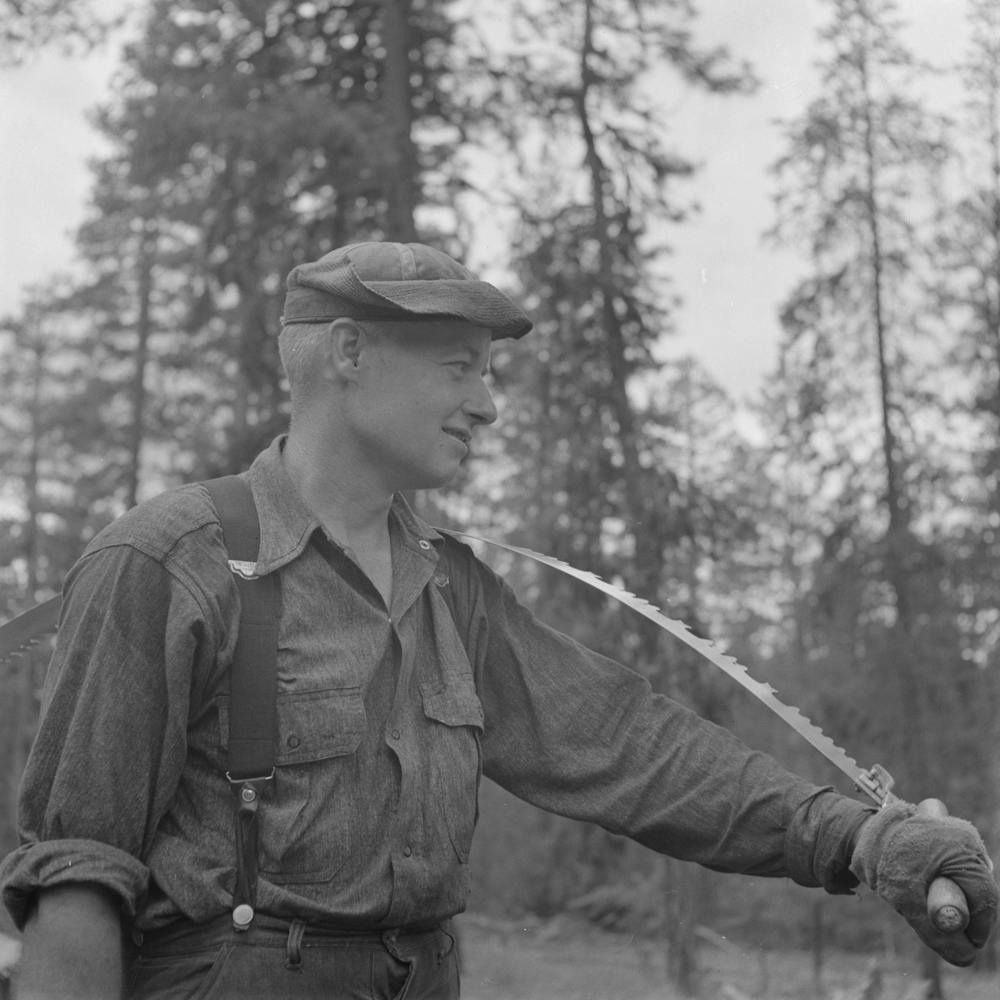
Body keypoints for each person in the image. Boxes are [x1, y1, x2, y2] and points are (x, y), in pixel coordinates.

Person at [1, 241, 996, 999]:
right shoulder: (170, 560)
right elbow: (79, 874)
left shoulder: (454, 588)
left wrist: (862, 839)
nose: (488, 405)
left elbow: (630, 745)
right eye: (460, 367)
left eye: (490, 374)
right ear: (348, 353)